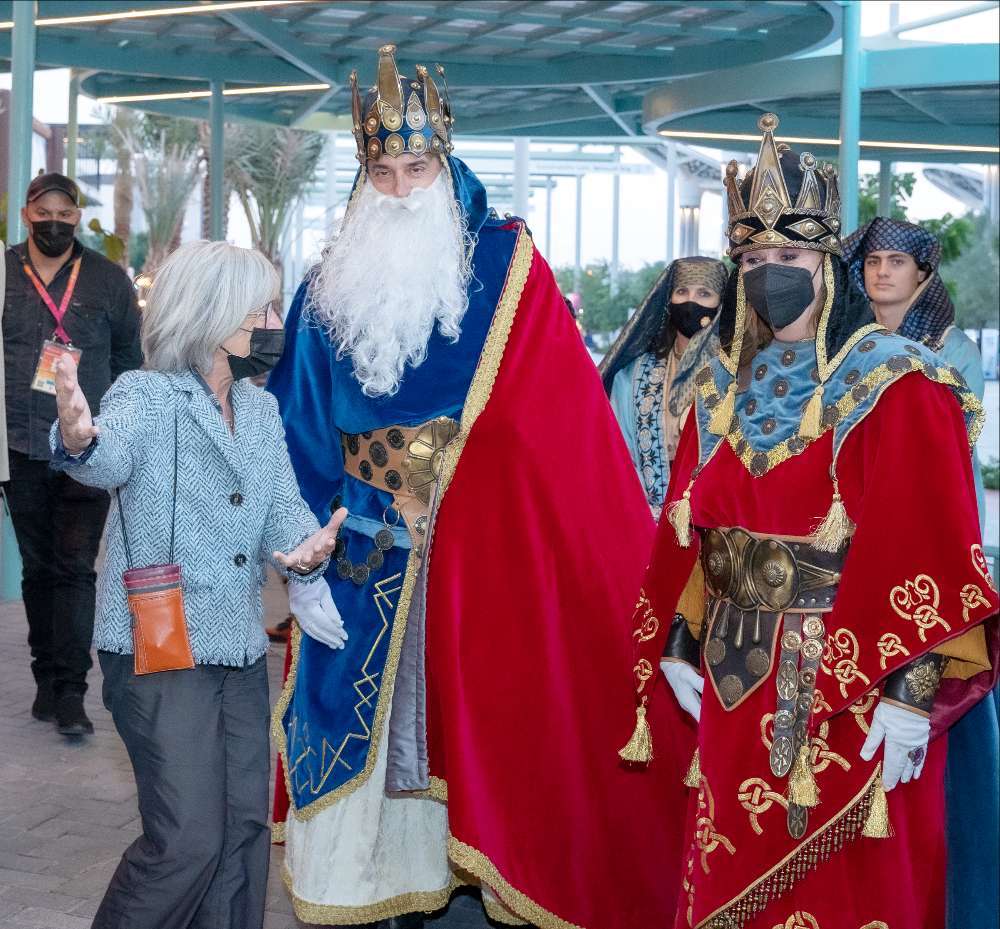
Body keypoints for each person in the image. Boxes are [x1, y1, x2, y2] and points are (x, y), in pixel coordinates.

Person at [268, 44, 692, 928]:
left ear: (446, 162)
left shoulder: (508, 267)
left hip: (484, 550)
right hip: (358, 547)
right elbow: (296, 429)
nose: (397, 189)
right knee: (364, 754)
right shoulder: (324, 288)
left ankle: (482, 888)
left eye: (414, 168)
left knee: (486, 740)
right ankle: (374, 896)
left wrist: (462, 501)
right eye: (380, 171)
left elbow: (556, 425)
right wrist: (303, 551)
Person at [619, 114, 998, 928]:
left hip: (851, 688)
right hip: (729, 683)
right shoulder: (719, 384)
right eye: (752, 259)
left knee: (850, 892)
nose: (767, 275)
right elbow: (693, 530)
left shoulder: (898, 382)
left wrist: (910, 692)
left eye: (787, 258)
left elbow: (929, 546)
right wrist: (681, 641)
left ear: (829, 265)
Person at [48, 240, 346, 929]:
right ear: (215, 317)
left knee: (243, 831)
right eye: (262, 308)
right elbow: (105, 452)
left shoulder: (262, 409)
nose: (275, 320)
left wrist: (307, 550)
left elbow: (283, 510)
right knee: (187, 841)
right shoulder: (147, 395)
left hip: (239, 650)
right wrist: (78, 430)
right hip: (160, 647)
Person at [844, 216, 998, 929]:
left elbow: (946, 468)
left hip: (932, 544)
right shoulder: (843, 346)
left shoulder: (951, 353)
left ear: (923, 275)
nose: (881, 272)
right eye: (872, 260)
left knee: (942, 736)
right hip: (853, 551)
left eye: (895, 263)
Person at [3, 172, 141, 735]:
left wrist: (131, 433)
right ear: (27, 215)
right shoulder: (5, 273)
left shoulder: (108, 279)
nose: (53, 221)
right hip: (20, 442)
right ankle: (44, 679)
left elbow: (131, 360)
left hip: (89, 444)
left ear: (77, 217)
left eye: (65, 212)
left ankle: (71, 692)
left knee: (76, 568)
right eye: (44, 212)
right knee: (39, 570)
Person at [601, 257, 728, 516]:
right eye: (682, 291)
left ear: (721, 304)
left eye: (704, 293)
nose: (690, 302)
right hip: (646, 522)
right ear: (668, 301)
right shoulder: (632, 376)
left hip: (716, 524)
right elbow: (619, 456)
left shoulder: (736, 374)